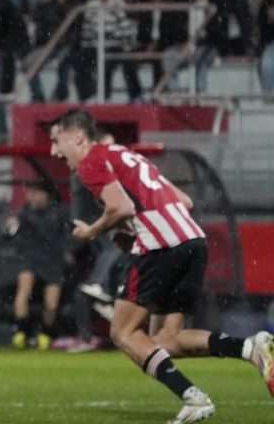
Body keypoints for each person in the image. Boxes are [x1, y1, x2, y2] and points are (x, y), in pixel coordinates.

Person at [49, 109, 274, 423]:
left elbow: (121, 206)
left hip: (162, 248)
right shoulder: (126, 155)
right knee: (167, 340)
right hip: (193, 241)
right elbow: (184, 202)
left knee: (123, 332)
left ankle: (192, 398)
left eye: (56, 140)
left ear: (78, 137)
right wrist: (137, 230)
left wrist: (91, 231)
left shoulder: (91, 161)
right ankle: (251, 348)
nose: (53, 151)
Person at [4, 179, 68, 351]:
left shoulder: (59, 212)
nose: (31, 197)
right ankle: (21, 332)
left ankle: (45, 333)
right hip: (30, 257)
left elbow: (67, 236)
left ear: (45, 194)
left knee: (52, 303)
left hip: (52, 260)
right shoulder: (24, 212)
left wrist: (67, 252)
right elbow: (12, 234)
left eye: (35, 193)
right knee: (24, 291)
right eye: (29, 193)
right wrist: (11, 228)